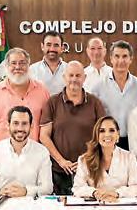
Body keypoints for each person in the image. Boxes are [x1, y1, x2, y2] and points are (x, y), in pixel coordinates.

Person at [39, 61, 106, 195]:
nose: (74, 79)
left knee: (88, 205)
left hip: (89, 169)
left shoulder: (95, 103)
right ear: (64, 77)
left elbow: (102, 135)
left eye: (78, 75)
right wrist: (62, 161)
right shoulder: (53, 102)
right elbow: (44, 136)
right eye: (71, 75)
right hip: (59, 170)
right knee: (60, 207)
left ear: (84, 78)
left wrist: (86, 160)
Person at [0, 47, 50, 155]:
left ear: (29, 65)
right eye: (13, 63)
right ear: (6, 66)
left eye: (22, 63)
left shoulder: (42, 91)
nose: (18, 67)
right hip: (3, 156)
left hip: (34, 156)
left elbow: (47, 127)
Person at [90, 40, 137, 150]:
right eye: (117, 56)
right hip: (108, 142)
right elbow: (94, 119)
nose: (121, 61)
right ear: (111, 59)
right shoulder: (98, 87)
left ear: (131, 59)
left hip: (135, 143)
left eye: (125, 56)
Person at [29, 30, 67, 95]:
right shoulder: (32, 70)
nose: (52, 49)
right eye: (48, 45)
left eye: (56, 45)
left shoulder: (69, 69)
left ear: (62, 48)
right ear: (42, 46)